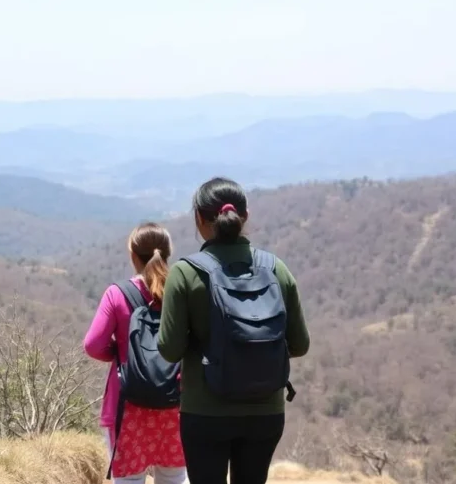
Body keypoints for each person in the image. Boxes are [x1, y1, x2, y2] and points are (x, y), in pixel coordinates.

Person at [157, 177, 310, 484]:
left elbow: (170, 349)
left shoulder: (186, 273)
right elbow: (300, 344)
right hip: (265, 410)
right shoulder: (276, 269)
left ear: (199, 218)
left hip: (205, 410)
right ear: (245, 216)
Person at [84, 222, 188, 484]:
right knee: (174, 478)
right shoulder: (183, 292)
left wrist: (121, 354)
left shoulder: (117, 295)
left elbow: (93, 345)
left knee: (129, 480)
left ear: (133, 255)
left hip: (126, 404)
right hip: (175, 403)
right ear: (167, 254)